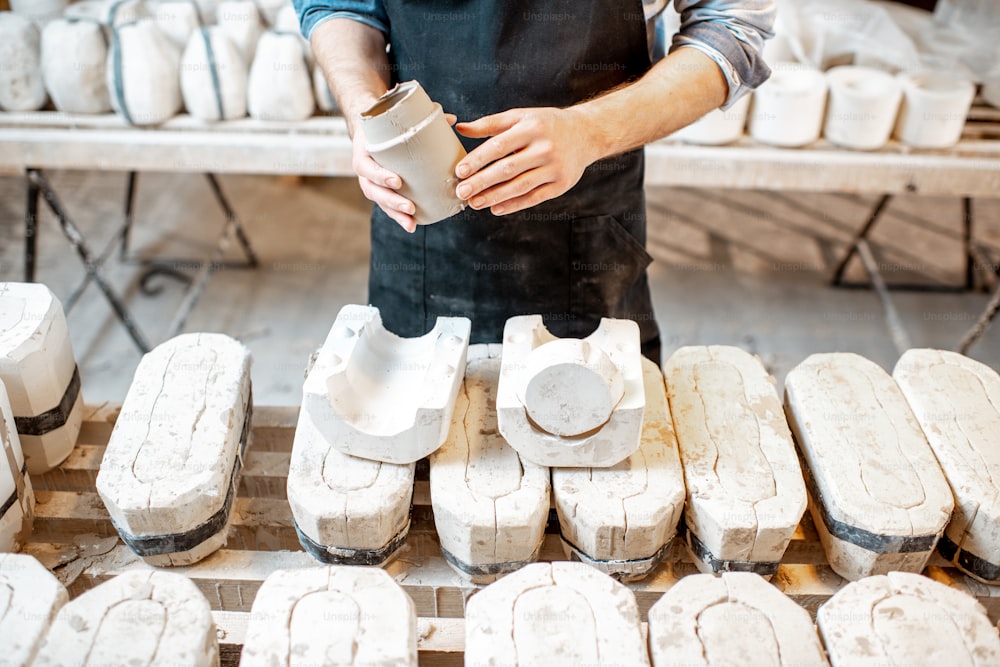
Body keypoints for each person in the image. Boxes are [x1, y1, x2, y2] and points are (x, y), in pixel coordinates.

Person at [293, 0, 775, 364]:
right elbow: (343, 6)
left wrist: (590, 131)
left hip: (585, 231)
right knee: (416, 442)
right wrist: (366, 112)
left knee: (591, 448)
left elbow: (731, 26)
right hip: (421, 234)